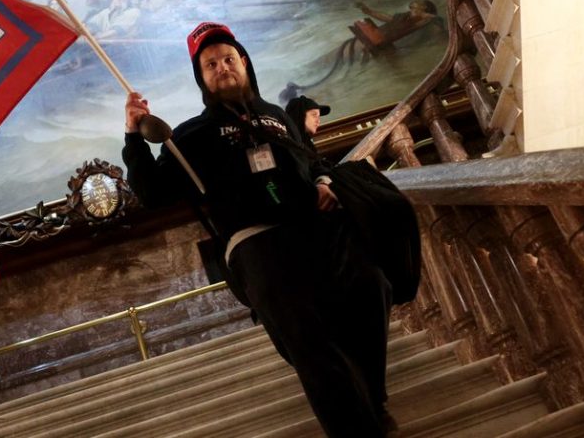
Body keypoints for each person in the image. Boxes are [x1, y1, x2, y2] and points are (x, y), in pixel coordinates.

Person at [122, 22, 394, 437]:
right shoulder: (191, 136)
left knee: (372, 288)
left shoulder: (278, 118)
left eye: (229, 58)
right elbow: (153, 193)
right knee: (309, 344)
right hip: (259, 246)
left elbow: (312, 161)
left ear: (245, 64)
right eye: (210, 64)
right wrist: (134, 137)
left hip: (317, 230)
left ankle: (372, 397)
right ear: (202, 78)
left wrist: (323, 182)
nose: (222, 67)